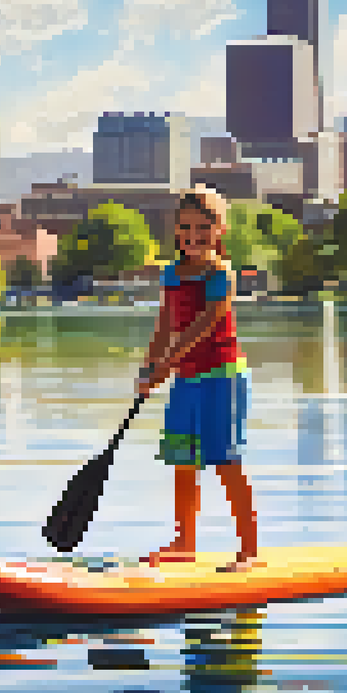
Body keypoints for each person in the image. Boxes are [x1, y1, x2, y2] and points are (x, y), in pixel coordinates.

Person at [137, 186, 258, 572]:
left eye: (203, 227)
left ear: (219, 230)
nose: (194, 235)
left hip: (222, 378)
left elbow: (206, 324)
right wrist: (148, 368)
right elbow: (166, 326)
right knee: (182, 461)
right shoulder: (171, 273)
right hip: (186, 380)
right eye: (186, 227)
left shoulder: (221, 272)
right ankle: (184, 543)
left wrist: (167, 363)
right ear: (175, 230)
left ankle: (249, 549)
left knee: (225, 460)